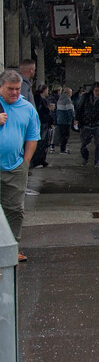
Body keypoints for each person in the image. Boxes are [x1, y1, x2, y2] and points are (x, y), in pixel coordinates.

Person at [0, 70, 41, 262]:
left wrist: (26, 162)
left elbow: (32, 136)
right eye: (10, 89)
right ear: (1, 87)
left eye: (17, 89)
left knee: (15, 209)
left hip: (15, 167)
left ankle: (13, 247)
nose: (15, 93)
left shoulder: (27, 108)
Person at [75, 82, 99, 168]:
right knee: (84, 144)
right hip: (87, 124)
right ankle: (85, 157)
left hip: (98, 124)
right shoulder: (86, 97)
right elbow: (79, 108)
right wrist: (77, 120)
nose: (98, 92)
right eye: (96, 90)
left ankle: (98, 162)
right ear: (93, 89)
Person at [30, 84, 53, 168]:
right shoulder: (40, 100)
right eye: (47, 90)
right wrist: (48, 110)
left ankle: (40, 160)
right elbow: (41, 112)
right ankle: (38, 161)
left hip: (43, 123)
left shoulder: (38, 99)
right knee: (41, 143)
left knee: (43, 142)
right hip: (42, 123)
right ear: (44, 90)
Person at [54, 87, 74, 153]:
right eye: (71, 92)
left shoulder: (60, 99)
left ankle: (62, 148)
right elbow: (70, 110)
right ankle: (63, 149)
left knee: (62, 135)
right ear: (68, 93)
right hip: (65, 120)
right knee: (66, 135)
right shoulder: (67, 99)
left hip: (60, 120)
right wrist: (73, 118)